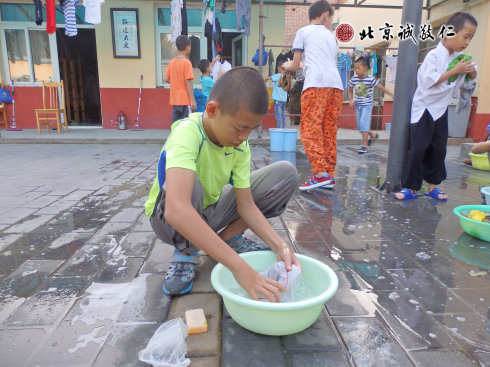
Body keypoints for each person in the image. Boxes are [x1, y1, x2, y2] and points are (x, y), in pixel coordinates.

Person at [145, 67, 301, 301]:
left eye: (251, 129)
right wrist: (240, 269)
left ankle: (228, 239)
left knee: (285, 174)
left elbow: (246, 205)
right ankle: (185, 252)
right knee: (190, 185)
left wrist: (279, 245)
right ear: (212, 110)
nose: (244, 137)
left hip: (209, 212)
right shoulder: (188, 133)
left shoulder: (239, 143)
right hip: (168, 220)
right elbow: (176, 210)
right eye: (240, 128)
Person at [395, 12, 478, 201]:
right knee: (418, 148)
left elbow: (471, 77)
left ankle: (433, 187)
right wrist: (454, 71)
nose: (467, 42)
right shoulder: (433, 56)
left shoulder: (459, 58)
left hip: (441, 110)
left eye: (470, 38)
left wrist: (470, 71)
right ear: (450, 34)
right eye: (465, 36)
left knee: (439, 149)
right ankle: (410, 187)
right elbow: (428, 82)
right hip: (424, 109)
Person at [282, 0, 343, 191]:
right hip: (335, 87)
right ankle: (329, 174)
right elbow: (317, 63)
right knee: (328, 130)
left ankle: (319, 173)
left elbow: (295, 64)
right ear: (325, 15)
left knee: (309, 128)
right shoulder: (331, 37)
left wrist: (287, 66)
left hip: (315, 86)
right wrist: (299, 65)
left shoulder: (304, 32)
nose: (330, 22)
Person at [348, 55, 394, 154]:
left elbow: (380, 87)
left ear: (365, 68)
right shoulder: (354, 79)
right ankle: (373, 135)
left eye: (358, 68)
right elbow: (350, 89)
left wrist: (391, 94)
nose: (356, 70)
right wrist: (351, 99)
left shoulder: (370, 79)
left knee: (364, 125)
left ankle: (364, 146)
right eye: (355, 68)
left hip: (367, 105)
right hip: (358, 105)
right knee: (361, 128)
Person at [165, 35, 197, 123]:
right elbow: (188, 82)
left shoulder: (172, 62)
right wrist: (192, 99)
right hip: (185, 101)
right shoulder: (187, 63)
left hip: (175, 101)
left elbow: (166, 78)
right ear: (188, 47)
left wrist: (176, 82)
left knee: (175, 125)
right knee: (185, 126)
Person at [265, 60, 288, 129]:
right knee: (283, 116)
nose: (278, 69)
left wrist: (265, 79)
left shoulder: (278, 75)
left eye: (278, 68)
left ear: (280, 68)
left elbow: (269, 78)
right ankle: (283, 129)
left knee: (279, 116)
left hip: (278, 100)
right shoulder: (286, 76)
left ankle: (279, 129)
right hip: (284, 100)